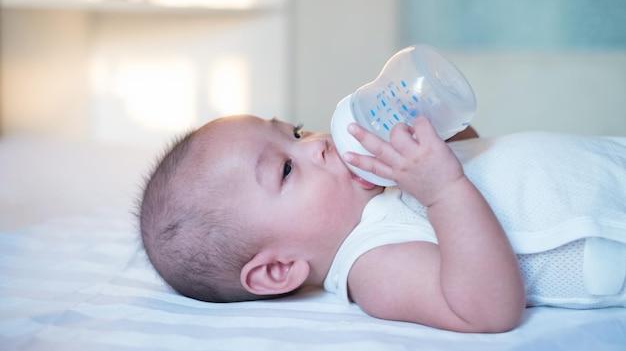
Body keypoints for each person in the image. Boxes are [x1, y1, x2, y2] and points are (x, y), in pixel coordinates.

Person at [139, 115, 626, 333]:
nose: (315, 143)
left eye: (295, 131)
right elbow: (487, 308)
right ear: (277, 269)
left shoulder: (385, 179)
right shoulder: (373, 263)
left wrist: (434, 130)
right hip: (607, 231)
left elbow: (472, 152)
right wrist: (442, 189)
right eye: (287, 168)